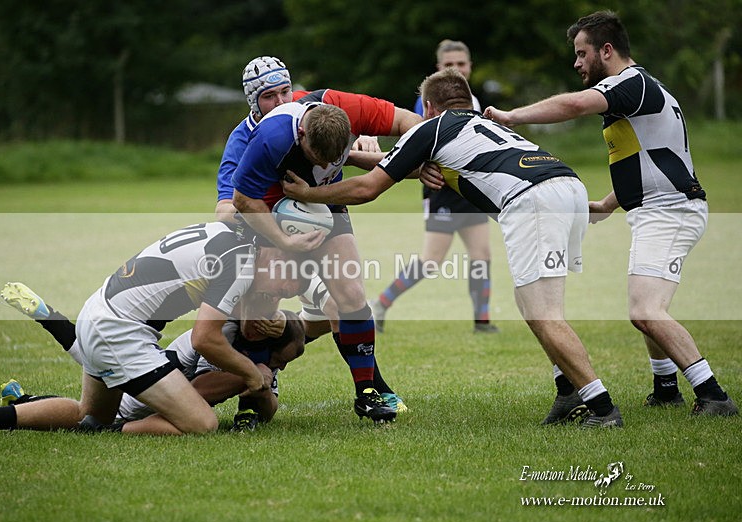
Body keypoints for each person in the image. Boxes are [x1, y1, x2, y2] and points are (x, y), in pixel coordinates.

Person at [283, 68, 623, 428]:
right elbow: (397, 161)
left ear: (429, 107)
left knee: (543, 313)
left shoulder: (431, 129)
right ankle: (567, 390)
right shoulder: (484, 124)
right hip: (568, 186)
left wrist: (309, 193)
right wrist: (358, 157)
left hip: (532, 201)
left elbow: (368, 187)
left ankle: (602, 407)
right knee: (530, 303)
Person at [483, 10, 737, 417]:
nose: (576, 62)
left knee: (645, 311)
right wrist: (608, 203)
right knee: (647, 305)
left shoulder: (630, 82)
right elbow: (651, 161)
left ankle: (714, 395)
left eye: (581, 53)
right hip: (659, 209)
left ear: (606, 50)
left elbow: (573, 104)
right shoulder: (638, 90)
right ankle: (665, 388)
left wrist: (512, 116)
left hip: (671, 212)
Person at [0, 221, 309, 437]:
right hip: (122, 332)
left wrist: (275, 319)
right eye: (285, 287)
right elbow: (205, 339)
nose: (277, 295)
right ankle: (112, 432)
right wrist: (252, 374)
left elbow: (239, 306)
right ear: (279, 256)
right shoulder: (241, 264)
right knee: (203, 423)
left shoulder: (233, 237)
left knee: (89, 415)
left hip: (99, 312)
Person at [215, 56, 410, 413]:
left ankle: (368, 390)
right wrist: (281, 228)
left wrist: (424, 153)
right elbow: (228, 209)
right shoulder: (251, 140)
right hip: (271, 222)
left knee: (350, 294)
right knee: (262, 304)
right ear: (252, 101)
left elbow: (407, 123)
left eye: (285, 91)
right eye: (268, 96)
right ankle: (252, 399)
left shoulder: (327, 110)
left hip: (326, 210)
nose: (280, 101)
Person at [0, 282, 305, 432]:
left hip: (141, 365)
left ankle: (24, 392)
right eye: (281, 359)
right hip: (146, 385)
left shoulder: (259, 356)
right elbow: (199, 391)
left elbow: (268, 409)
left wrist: (262, 385)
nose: (281, 366)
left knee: (89, 356)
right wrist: (252, 376)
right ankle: (22, 403)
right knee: (89, 415)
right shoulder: (226, 337)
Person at [371, 40, 497, 335]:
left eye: (461, 64)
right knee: (431, 260)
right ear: (439, 68)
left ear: (470, 66)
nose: (457, 69)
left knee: (481, 255)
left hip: (469, 187)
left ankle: (482, 321)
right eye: (449, 65)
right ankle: (380, 304)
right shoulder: (429, 101)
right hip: (441, 187)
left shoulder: (473, 101)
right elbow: (420, 141)